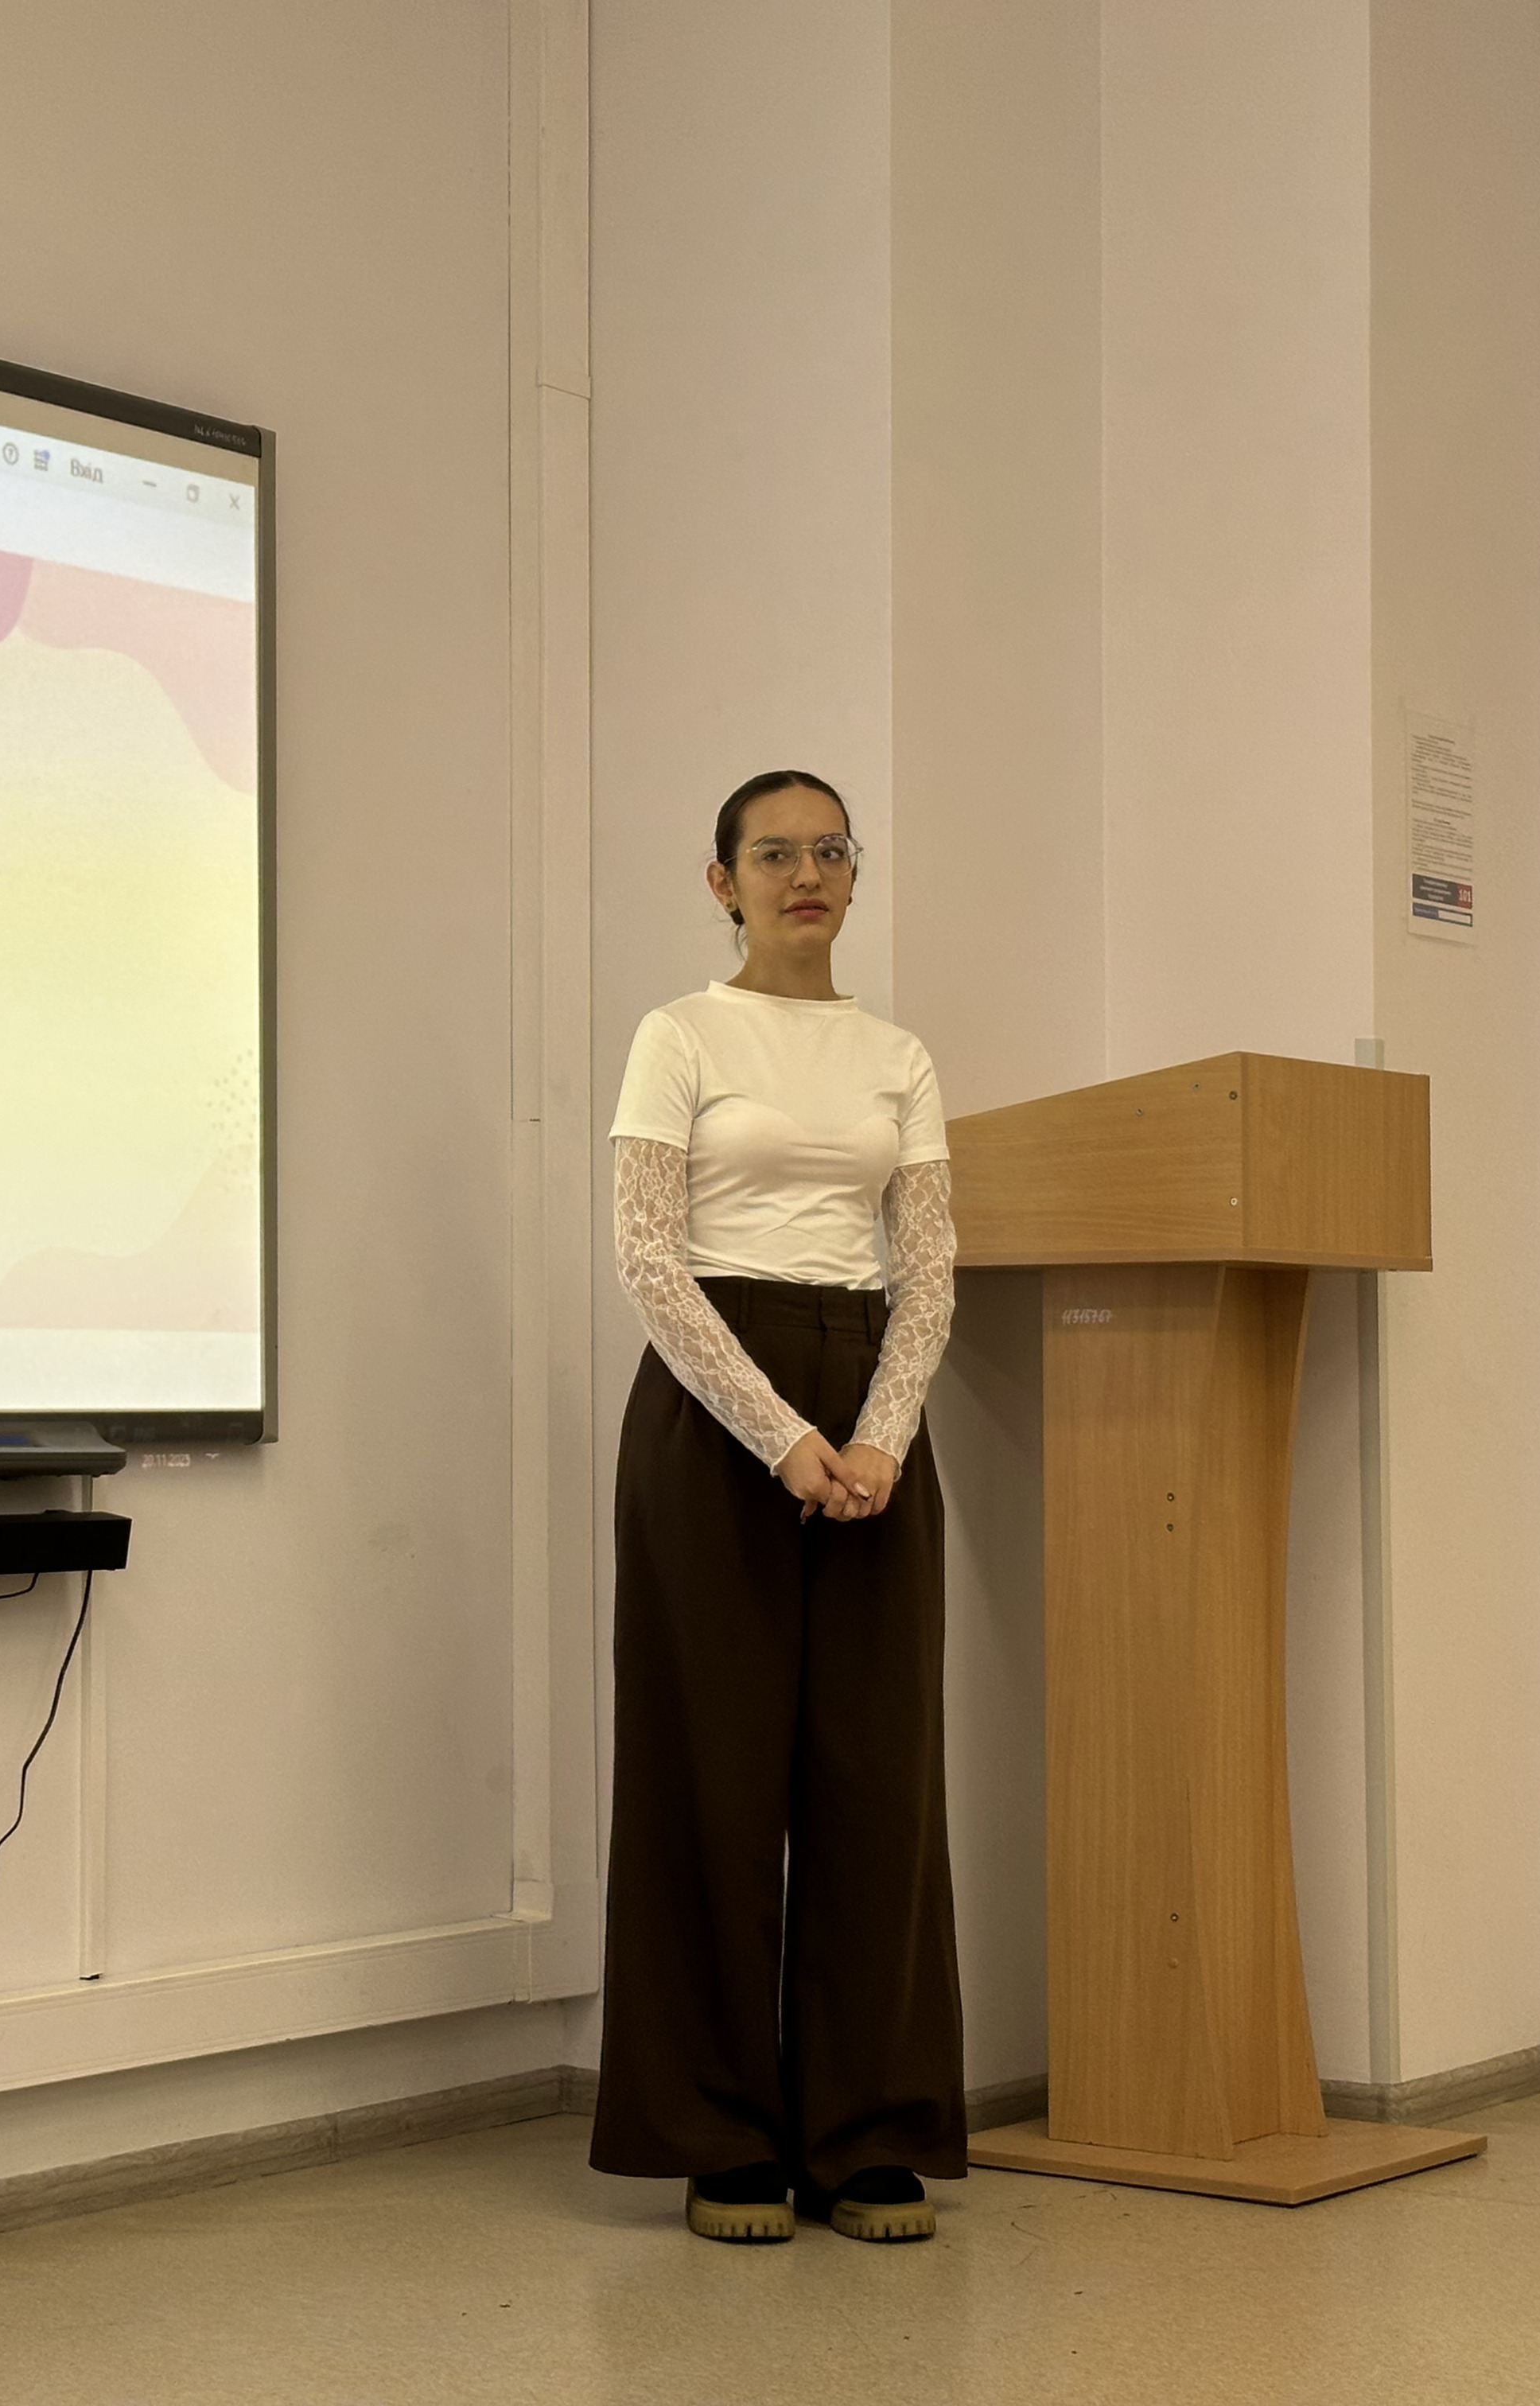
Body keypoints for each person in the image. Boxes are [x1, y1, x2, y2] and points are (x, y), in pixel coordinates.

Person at [588, 767, 966, 2246]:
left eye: (829, 851)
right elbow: (647, 1256)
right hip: (715, 1408)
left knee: (877, 1775)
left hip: (871, 1407)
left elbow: (927, 1266)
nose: (805, 874)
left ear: (855, 877)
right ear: (722, 882)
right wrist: (783, 1436)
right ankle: (720, 2134)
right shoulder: (678, 1035)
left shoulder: (896, 1056)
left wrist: (877, 1434)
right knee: (712, 1772)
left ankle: (864, 2133)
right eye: (772, 854)